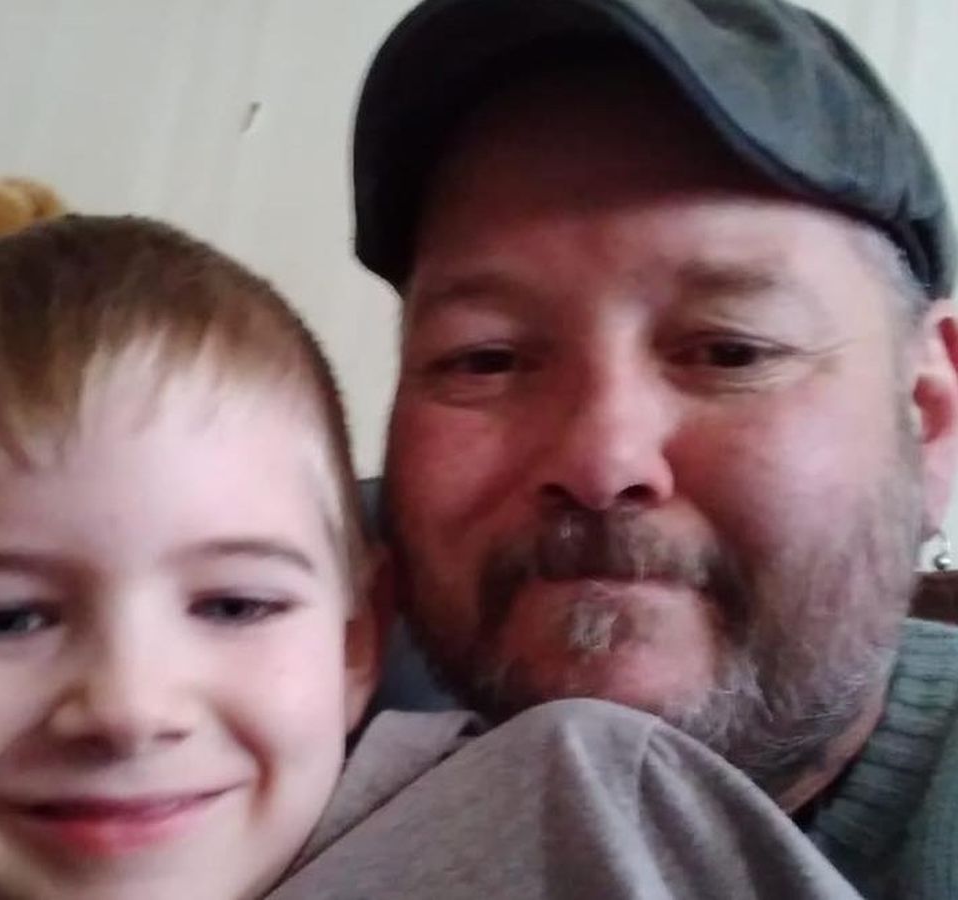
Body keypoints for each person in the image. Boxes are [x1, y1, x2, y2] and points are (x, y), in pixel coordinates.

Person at [0, 214, 863, 899]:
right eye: (3, 617)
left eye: (234, 605)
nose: (127, 708)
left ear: (357, 641)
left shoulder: (579, 812)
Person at [352, 0, 958, 896]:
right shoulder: (251, 772)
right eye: (486, 359)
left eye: (732, 352)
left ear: (928, 418)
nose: (601, 465)